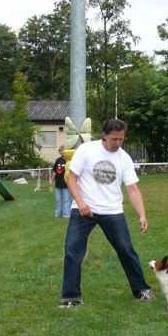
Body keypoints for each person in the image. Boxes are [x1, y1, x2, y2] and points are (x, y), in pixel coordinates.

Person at [60, 118, 154, 308]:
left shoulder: (124, 158)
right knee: (72, 251)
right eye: (114, 139)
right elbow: (71, 178)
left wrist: (142, 215)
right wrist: (80, 202)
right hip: (83, 209)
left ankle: (141, 290)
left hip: (112, 211)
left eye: (121, 139)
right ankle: (71, 297)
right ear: (104, 135)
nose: (118, 143)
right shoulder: (86, 150)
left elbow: (133, 189)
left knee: (126, 250)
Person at [51, 146, 71, 219]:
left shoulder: (69, 160)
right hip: (58, 184)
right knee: (58, 200)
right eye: (60, 150)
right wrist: (52, 180)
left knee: (66, 200)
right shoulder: (58, 160)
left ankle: (66, 215)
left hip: (66, 184)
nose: (61, 152)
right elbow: (55, 171)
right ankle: (58, 215)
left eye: (63, 150)